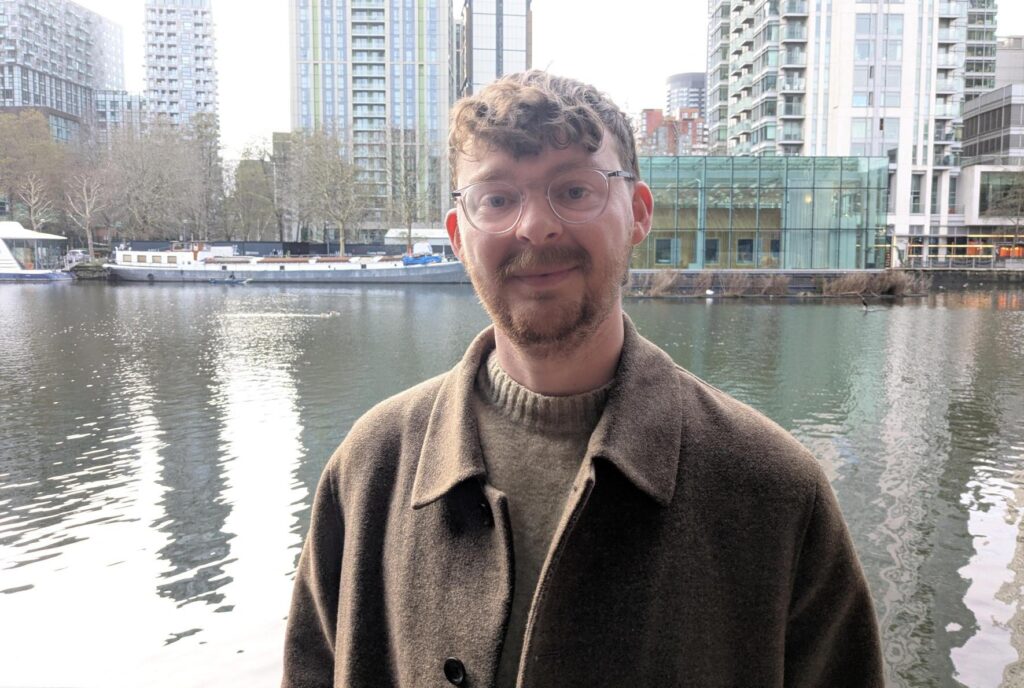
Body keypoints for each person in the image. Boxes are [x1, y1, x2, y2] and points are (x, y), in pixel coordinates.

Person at [281, 71, 883, 688]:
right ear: (459, 236)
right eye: (497, 198)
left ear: (638, 214)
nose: (535, 226)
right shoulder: (368, 468)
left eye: (574, 190)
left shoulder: (775, 492)